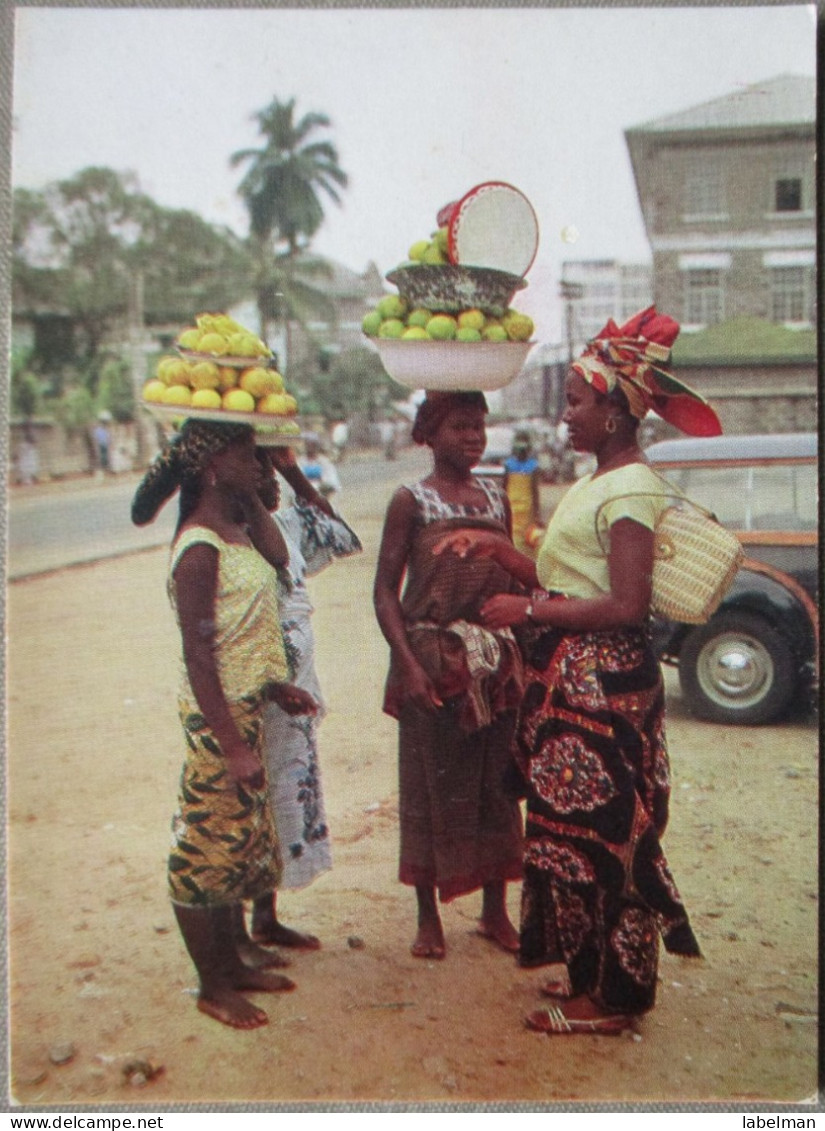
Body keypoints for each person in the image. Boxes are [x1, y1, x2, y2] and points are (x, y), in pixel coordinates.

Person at [435, 307, 720, 1034]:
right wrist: (501, 554)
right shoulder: (601, 481)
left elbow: (624, 603)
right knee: (572, 830)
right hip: (575, 683)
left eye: (576, 401)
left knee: (608, 836)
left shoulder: (627, 490)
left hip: (602, 687)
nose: (564, 415)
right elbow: (570, 580)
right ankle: (591, 976)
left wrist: (527, 612)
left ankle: (613, 1000)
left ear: (616, 413)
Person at [131, 420, 318, 1030]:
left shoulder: (235, 529)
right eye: (246, 453)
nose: (259, 463)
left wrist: (275, 687)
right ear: (212, 464)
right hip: (218, 719)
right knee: (204, 851)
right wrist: (232, 744)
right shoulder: (199, 546)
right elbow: (200, 654)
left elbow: (279, 556)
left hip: (246, 703)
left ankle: (233, 964)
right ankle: (212, 985)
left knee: (240, 843)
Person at [373, 391, 525, 961]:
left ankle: (494, 912)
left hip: (492, 662)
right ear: (429, 434)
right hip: (432, 660)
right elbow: (385, 591)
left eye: (480, 426)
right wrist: (408, 665)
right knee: (429, 784)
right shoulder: (409, 500)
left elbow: (511, 579)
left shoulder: (496, 495)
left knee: (497, 782)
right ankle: (428, 916)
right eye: (460, 427)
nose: (474, 438)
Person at [249, 445, 362, 949]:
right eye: (259, 466)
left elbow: (332, 529)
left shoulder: (283, 528)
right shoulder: (232, 538)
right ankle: (243, 923)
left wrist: (292, 469)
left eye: (271, 466)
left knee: (284, 791)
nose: (271, 477)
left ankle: (265, 915)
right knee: (251, 798)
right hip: (259, 686)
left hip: (296, 691)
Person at [503, 430, 542, 556]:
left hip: (527, 510)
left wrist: (536, 515)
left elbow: (535, 491)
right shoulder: (508, 465)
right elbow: (504, 487)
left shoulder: (533, 466)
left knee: (527, 540)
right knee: (515, 541)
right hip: (512, 508)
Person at [299, 434, 341, 499]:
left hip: (321, 495)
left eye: (312, 444)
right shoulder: (301, 461)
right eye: (308, 444)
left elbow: (332, 481)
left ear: (316, 446)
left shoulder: (324, 461)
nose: (310, 447)